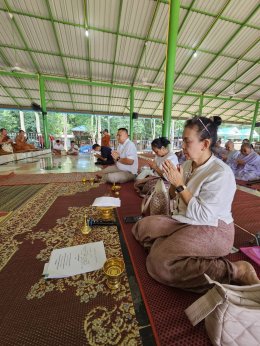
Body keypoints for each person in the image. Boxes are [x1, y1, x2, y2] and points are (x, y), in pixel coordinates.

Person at [132, 116, 260, 292]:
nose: (182, 146)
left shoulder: (220, 173)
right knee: (141, 227)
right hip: (184, 220)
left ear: (205, 144)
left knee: (159, 264)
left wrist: (178, 185)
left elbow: (203, 215)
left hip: (212, 228)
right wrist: (171, 183)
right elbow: (175, 198)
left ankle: (236, 270)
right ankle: (169, 248)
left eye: (186, 141)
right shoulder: (187, 165)